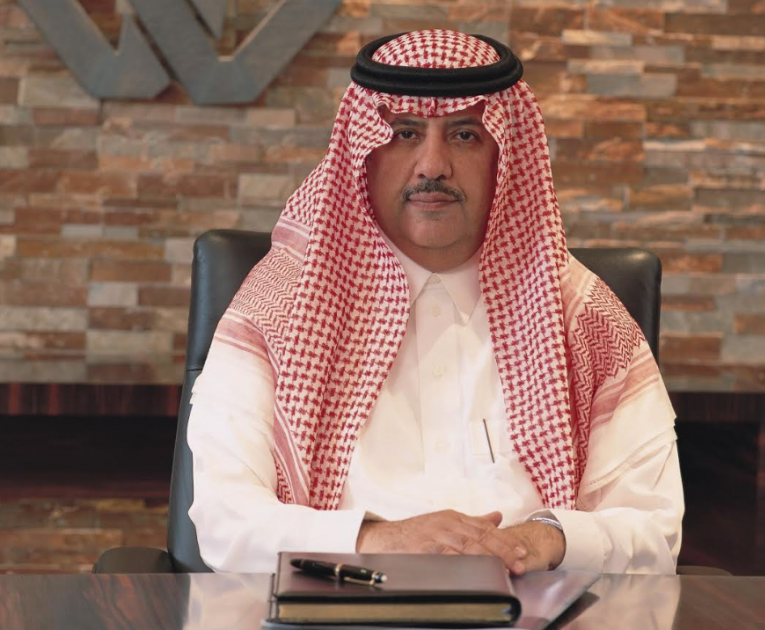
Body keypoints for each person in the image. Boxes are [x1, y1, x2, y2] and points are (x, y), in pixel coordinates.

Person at [187, 30, 683, 576]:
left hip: (530, 604)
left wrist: (544, 539)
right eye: (404, 133)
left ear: (504, 157)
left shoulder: (583, 315)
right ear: (364, 154)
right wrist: (376, 539)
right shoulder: (280, 307)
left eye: (465, 135)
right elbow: (224, 521)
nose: (432, 165)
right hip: (341, 605)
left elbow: (654, 529)